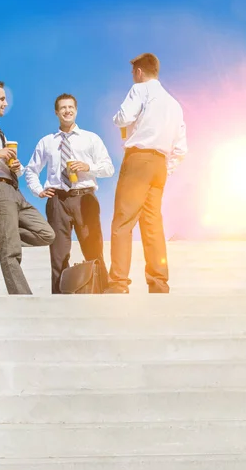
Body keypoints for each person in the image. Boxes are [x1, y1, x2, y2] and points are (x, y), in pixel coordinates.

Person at [105, 53, 187, 294]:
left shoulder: (140, 90)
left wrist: (120, 122)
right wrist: (164, 168)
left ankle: (119, 283)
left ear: (139, 72)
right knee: (152, 225)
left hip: (138, 160)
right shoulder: (174, 104)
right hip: (160, 165)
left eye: (133, 73)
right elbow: (181, 148)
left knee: (123, 222)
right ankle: (159, 283)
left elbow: (123, 117)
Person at [0, 79, 55, 294]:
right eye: (2, 98)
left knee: (46, 234)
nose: (6, 103)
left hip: (14, 190)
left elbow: (6, 162)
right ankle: (23, 299)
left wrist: (16, 166)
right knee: (11, 252)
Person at [25, 93, 114, 294]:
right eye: (63, 108)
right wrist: (38, 190)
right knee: (58, 254)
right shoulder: (47, 142)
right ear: (56, 112)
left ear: (76, 110)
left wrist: (87, 166)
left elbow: (108, 168)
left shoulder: (91, 138)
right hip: (57, 200)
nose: (67, 111)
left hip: (85, 199)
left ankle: (101, 294)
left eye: (71, 107)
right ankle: (59, 298)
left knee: (94, 249)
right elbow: (31, 170)